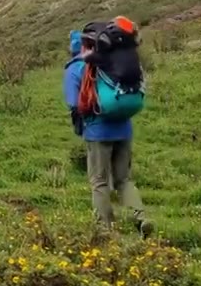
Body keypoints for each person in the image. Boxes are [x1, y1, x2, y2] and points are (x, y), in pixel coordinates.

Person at [63, 20, 153, 236]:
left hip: (97, 132)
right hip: (124, 128)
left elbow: (73, 103)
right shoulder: (115, 60)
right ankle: (141, 217)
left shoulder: (76, 67)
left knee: (99, 181)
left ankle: (105, 229)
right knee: (124, 180)